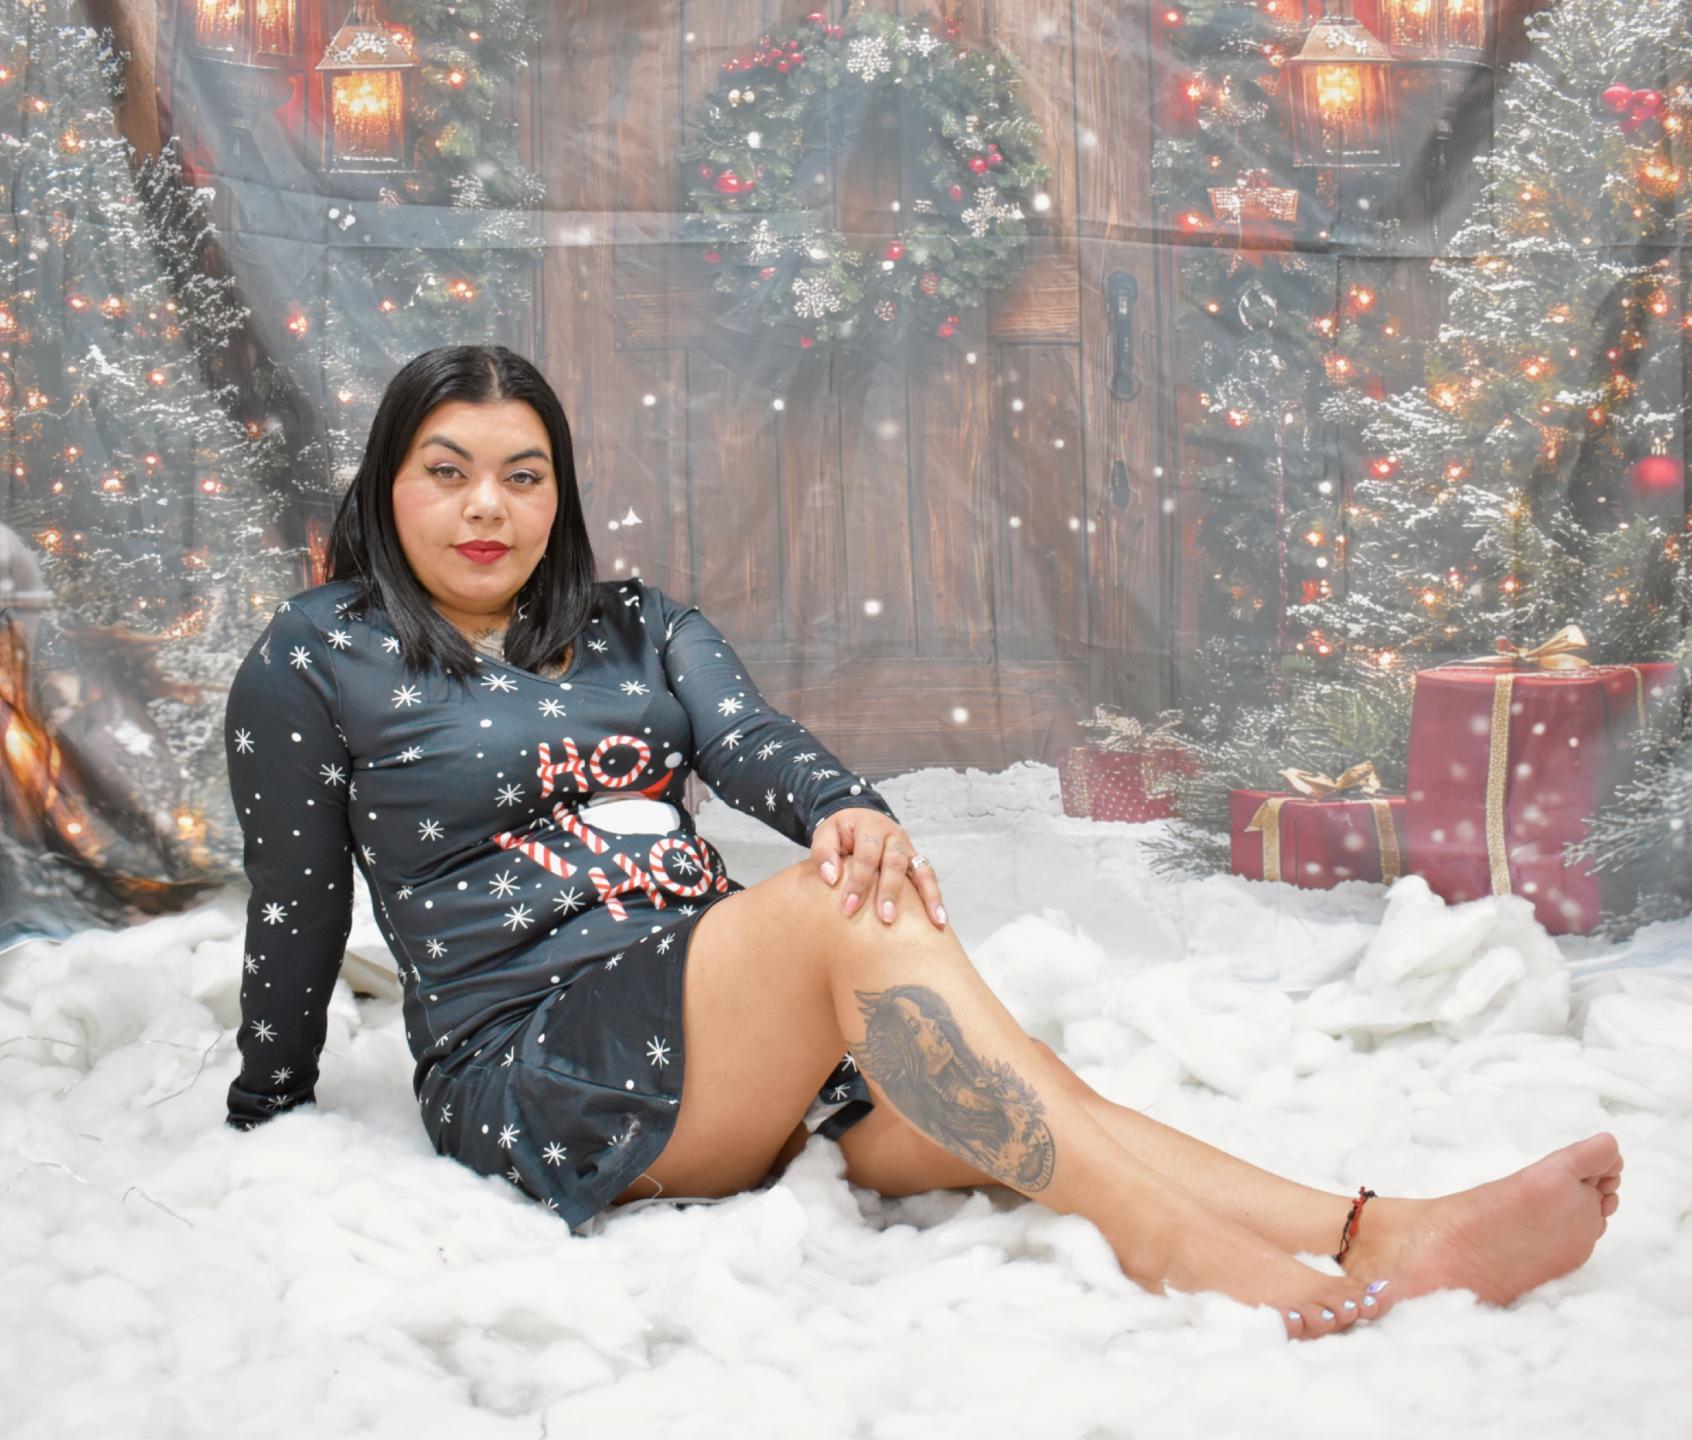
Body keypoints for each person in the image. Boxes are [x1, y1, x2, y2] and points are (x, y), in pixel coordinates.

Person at [223, 344, 1624, 1341]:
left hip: (738, 1049)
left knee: (1007, 1086)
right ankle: (1210, 1267)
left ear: (561, 494)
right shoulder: (316, 656)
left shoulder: (636, 626)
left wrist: (852, 808)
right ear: (389, 486)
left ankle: (1376, 1230)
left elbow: (754, 741)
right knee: (841, 908)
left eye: (523, 476)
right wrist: (267, 1108)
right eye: (449, 472)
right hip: (542, 1070)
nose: (487, 507)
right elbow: (295, 909)